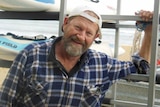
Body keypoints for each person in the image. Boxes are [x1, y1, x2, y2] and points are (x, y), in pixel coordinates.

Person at [0, 6, 153, 107]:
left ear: (95, 38)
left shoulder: (102, 64)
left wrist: (149, 30)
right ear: (65, 23)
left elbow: (142, 67)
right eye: (77, 28)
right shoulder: (30, 54)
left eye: (89, 33)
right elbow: (5, 100)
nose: (81, 36)